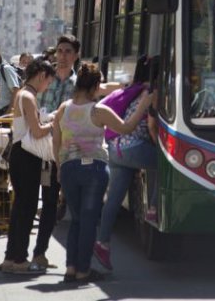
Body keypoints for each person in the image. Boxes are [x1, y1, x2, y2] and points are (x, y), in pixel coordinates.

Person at [53, 62, 151, 283]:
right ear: (96, 85)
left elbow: (56, 142)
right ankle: (83, 270)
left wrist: (60, 168)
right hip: (93, 170)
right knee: (88, 220)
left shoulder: (63, 109)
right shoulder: (98, 111)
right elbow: (126, 128)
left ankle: (70, 268)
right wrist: (143, 105)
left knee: (76, 219)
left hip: (68, 168)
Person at [32, 34, 120, 269]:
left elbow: (105, 91)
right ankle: (40, 253)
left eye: (68, 52)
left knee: (80, 213)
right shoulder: (43, 78)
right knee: (48, 204)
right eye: (59, 51)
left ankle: (79, 262)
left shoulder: (79, 85)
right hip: (46, 150)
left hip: (74, 154)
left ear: (76, 55)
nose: (62, 56)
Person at [94, 56, 158, 271]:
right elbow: (151, 125)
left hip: (116, 148)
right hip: (133, 147)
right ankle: (153, 207)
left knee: (114, 198)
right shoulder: (151, 93)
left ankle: (102, 242)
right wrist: (159, 146)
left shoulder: (132, 89)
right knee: (164, 163)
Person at [0, 58, 56, 274]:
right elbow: (38, 131)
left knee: (20, 207)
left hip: (20, 154)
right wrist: (54, 122)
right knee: (27, 207)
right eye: (48, 82)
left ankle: (11, 258)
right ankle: (20, 258)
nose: (47, 86)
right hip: (26, 155)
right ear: (41, 75)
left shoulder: (22, 95)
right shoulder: (28, 96)